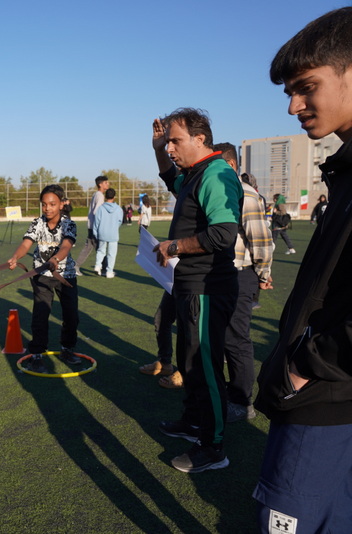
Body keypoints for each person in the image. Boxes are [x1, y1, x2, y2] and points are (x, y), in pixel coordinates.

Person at [254, 8, 352, 531]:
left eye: (306, 87)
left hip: (326, 399)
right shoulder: (345, 168)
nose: (293, 105)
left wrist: (304, 365)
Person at [151, 107, 242, 473]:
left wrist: (173, 247)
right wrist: (158, 147)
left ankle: (214, 446)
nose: (171, 147)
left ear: (199, 139)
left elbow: (223, 234)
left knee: (205, 366)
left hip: (208, 286)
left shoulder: (217, 172)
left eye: (175, 140)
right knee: (188, 359)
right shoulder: (194, 174)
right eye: (168, 141)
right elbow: (169, 176)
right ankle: (193, 423)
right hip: (189, 285)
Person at [215, 142, 274, 423]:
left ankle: (242, 401)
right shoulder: (219, 190)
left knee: (236, 339)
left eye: (217, 163)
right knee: (221, 337)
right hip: (222, 274)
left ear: (232, 165)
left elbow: (261, 240)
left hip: (241, 273)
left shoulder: (246, 194)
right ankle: (227, 392)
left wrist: (263, 275)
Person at [8, 184, 80, 372]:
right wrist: (16, 257)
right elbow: (26, 244)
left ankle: (67, 349)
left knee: (71, 316)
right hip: (41, 276)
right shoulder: (37, 223)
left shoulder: (69, 224)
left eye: (52, 204)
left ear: (61, 204)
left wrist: (55, 259)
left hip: (66, 276)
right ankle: (37, 355)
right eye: (44, 204)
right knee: (40, 316)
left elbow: (65, 246)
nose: (47, 208)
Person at [75, 175, 110, 268]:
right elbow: (97, 212)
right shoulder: (100, 195)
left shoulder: (96, 194)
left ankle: (76, 266)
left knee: (89, 247)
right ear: (100, 184)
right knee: (99, 248)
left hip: (92, 226)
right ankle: (106, 268)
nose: (108, 184)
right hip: (95, 227)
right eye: (106, 182)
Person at [92, 188, 122, 278]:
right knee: (111, 254)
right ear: (114, 197)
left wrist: (96, 233)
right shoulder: (119, 209)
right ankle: (109, 272)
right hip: (113, 234)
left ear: (105, 196)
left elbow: (96, 222)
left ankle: (97, 265)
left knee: (101, 251)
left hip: (102, 233)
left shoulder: (101, 208)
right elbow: (119, 221)